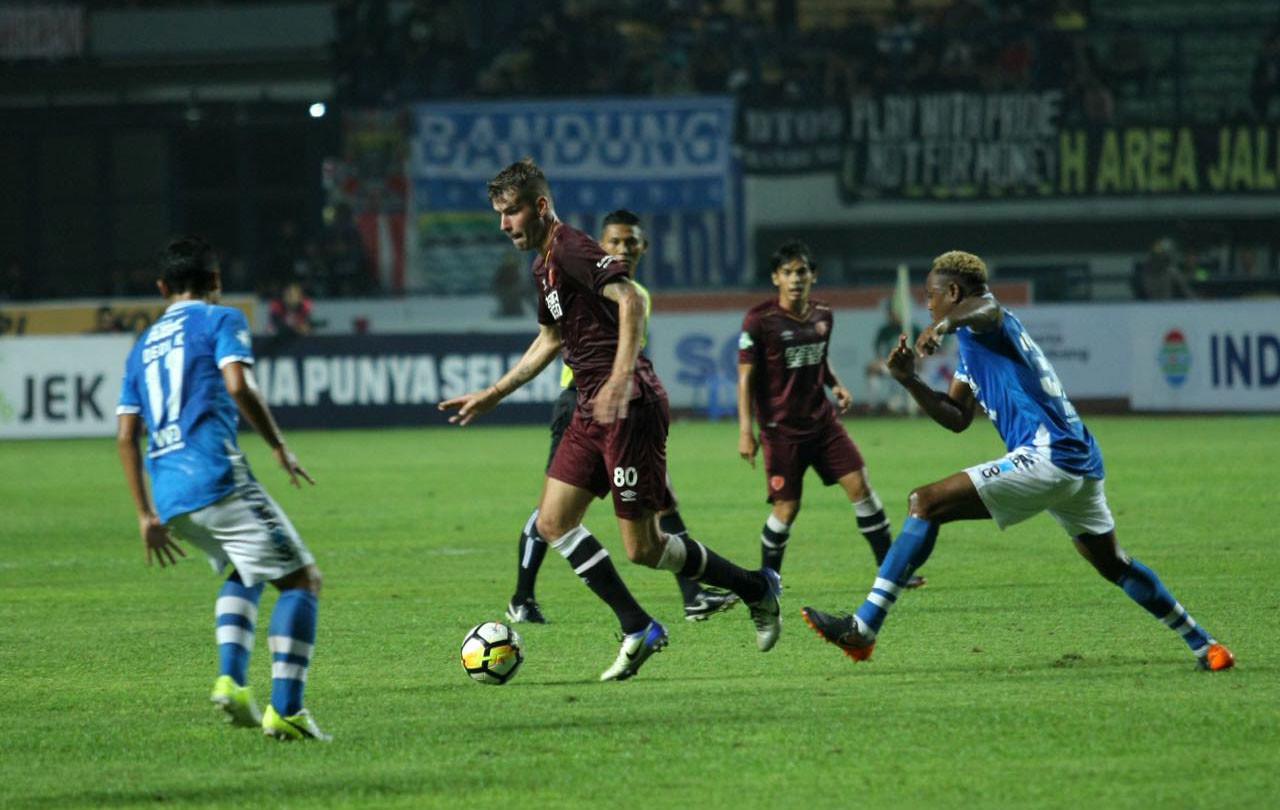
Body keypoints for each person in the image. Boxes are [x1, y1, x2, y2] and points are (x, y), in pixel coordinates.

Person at [800, 250, 1235, 673]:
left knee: (924, 502)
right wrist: (909, 379)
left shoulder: (988, 321)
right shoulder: (974, 344)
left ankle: (863, 627)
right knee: (1114, 564)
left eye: (931, 297)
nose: (927, 305)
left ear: (952, 291)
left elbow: (986, 307)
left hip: (1049, 457)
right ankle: (1205, 644)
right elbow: (955, 417)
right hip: (1078, 460)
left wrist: (945, 324)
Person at [439, 159, 781, 682]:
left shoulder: (573, 248)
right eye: (499, 215)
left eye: (510, 213)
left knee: (643, 548)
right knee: (553, 521)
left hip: (629, 407)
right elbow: (551, 340)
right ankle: (637, 625)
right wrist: (495, 393)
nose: (504, 225)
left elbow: (630, 303)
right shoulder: (543, 266)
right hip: (588, 407)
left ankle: (755, 588)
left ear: (541, 207)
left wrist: (622, 376)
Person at [115, 236, 332, 741]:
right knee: (302, 581)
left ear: (162, 287)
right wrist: (277, 445)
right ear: (215, 282)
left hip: (169, 496)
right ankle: (288, 712)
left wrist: (145, 515)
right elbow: (237, 384)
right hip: (215, 476)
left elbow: (127, 435)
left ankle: (233, 681)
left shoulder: (140, 346)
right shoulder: (222, 319)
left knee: (245, 569)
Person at [505, 209, 739, 626]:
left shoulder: (635, 294)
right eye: (614, 242)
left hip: (620, 403)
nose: (623, 249)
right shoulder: (580, 274)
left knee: (658, 499)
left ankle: (691, 596)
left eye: (631, 243)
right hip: (581, 401)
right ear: (600, 246)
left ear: (644, 248)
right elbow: (562, 338)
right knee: (553, 510)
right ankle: (522, 595)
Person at [737, 241, 923, 588]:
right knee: (786, 509)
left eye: (802, 272)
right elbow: (746, 378)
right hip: (781, 431)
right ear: (776, 277)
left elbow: (819, 357)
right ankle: (767, 581)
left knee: (861, 486)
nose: (796, 279)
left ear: (813, 275)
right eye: (788, 272)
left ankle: (892, 570)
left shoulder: (823, 314)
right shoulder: (759, 321)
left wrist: (835, 384)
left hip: (823, 424)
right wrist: (746, 431)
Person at [865, 298, 917, 415]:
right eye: (890, 312)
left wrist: (917, 360)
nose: (892, 315)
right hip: (889, 363)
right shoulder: (885, 330)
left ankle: (907, 405)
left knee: (902, 372)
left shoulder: (912, 328)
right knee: (872, 371)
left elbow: (921, 350)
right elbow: (878, 350)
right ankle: (873, 406)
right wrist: (878, 361)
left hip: (910, 365)